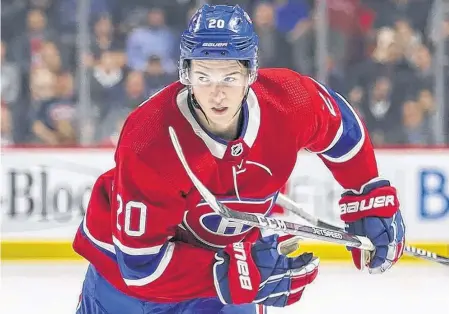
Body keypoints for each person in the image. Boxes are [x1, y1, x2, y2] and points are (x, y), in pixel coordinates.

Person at [73, 4, 406, 314]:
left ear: (251, 73)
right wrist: (239, 276)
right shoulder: (150, 139)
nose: (217, 92)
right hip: (124, 288)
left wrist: (367, 191)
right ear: (186, 73)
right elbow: (140, 266)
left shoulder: (288, 101)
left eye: (230, 76)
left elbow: (339, 127)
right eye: (204, 76)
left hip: (225, 277)